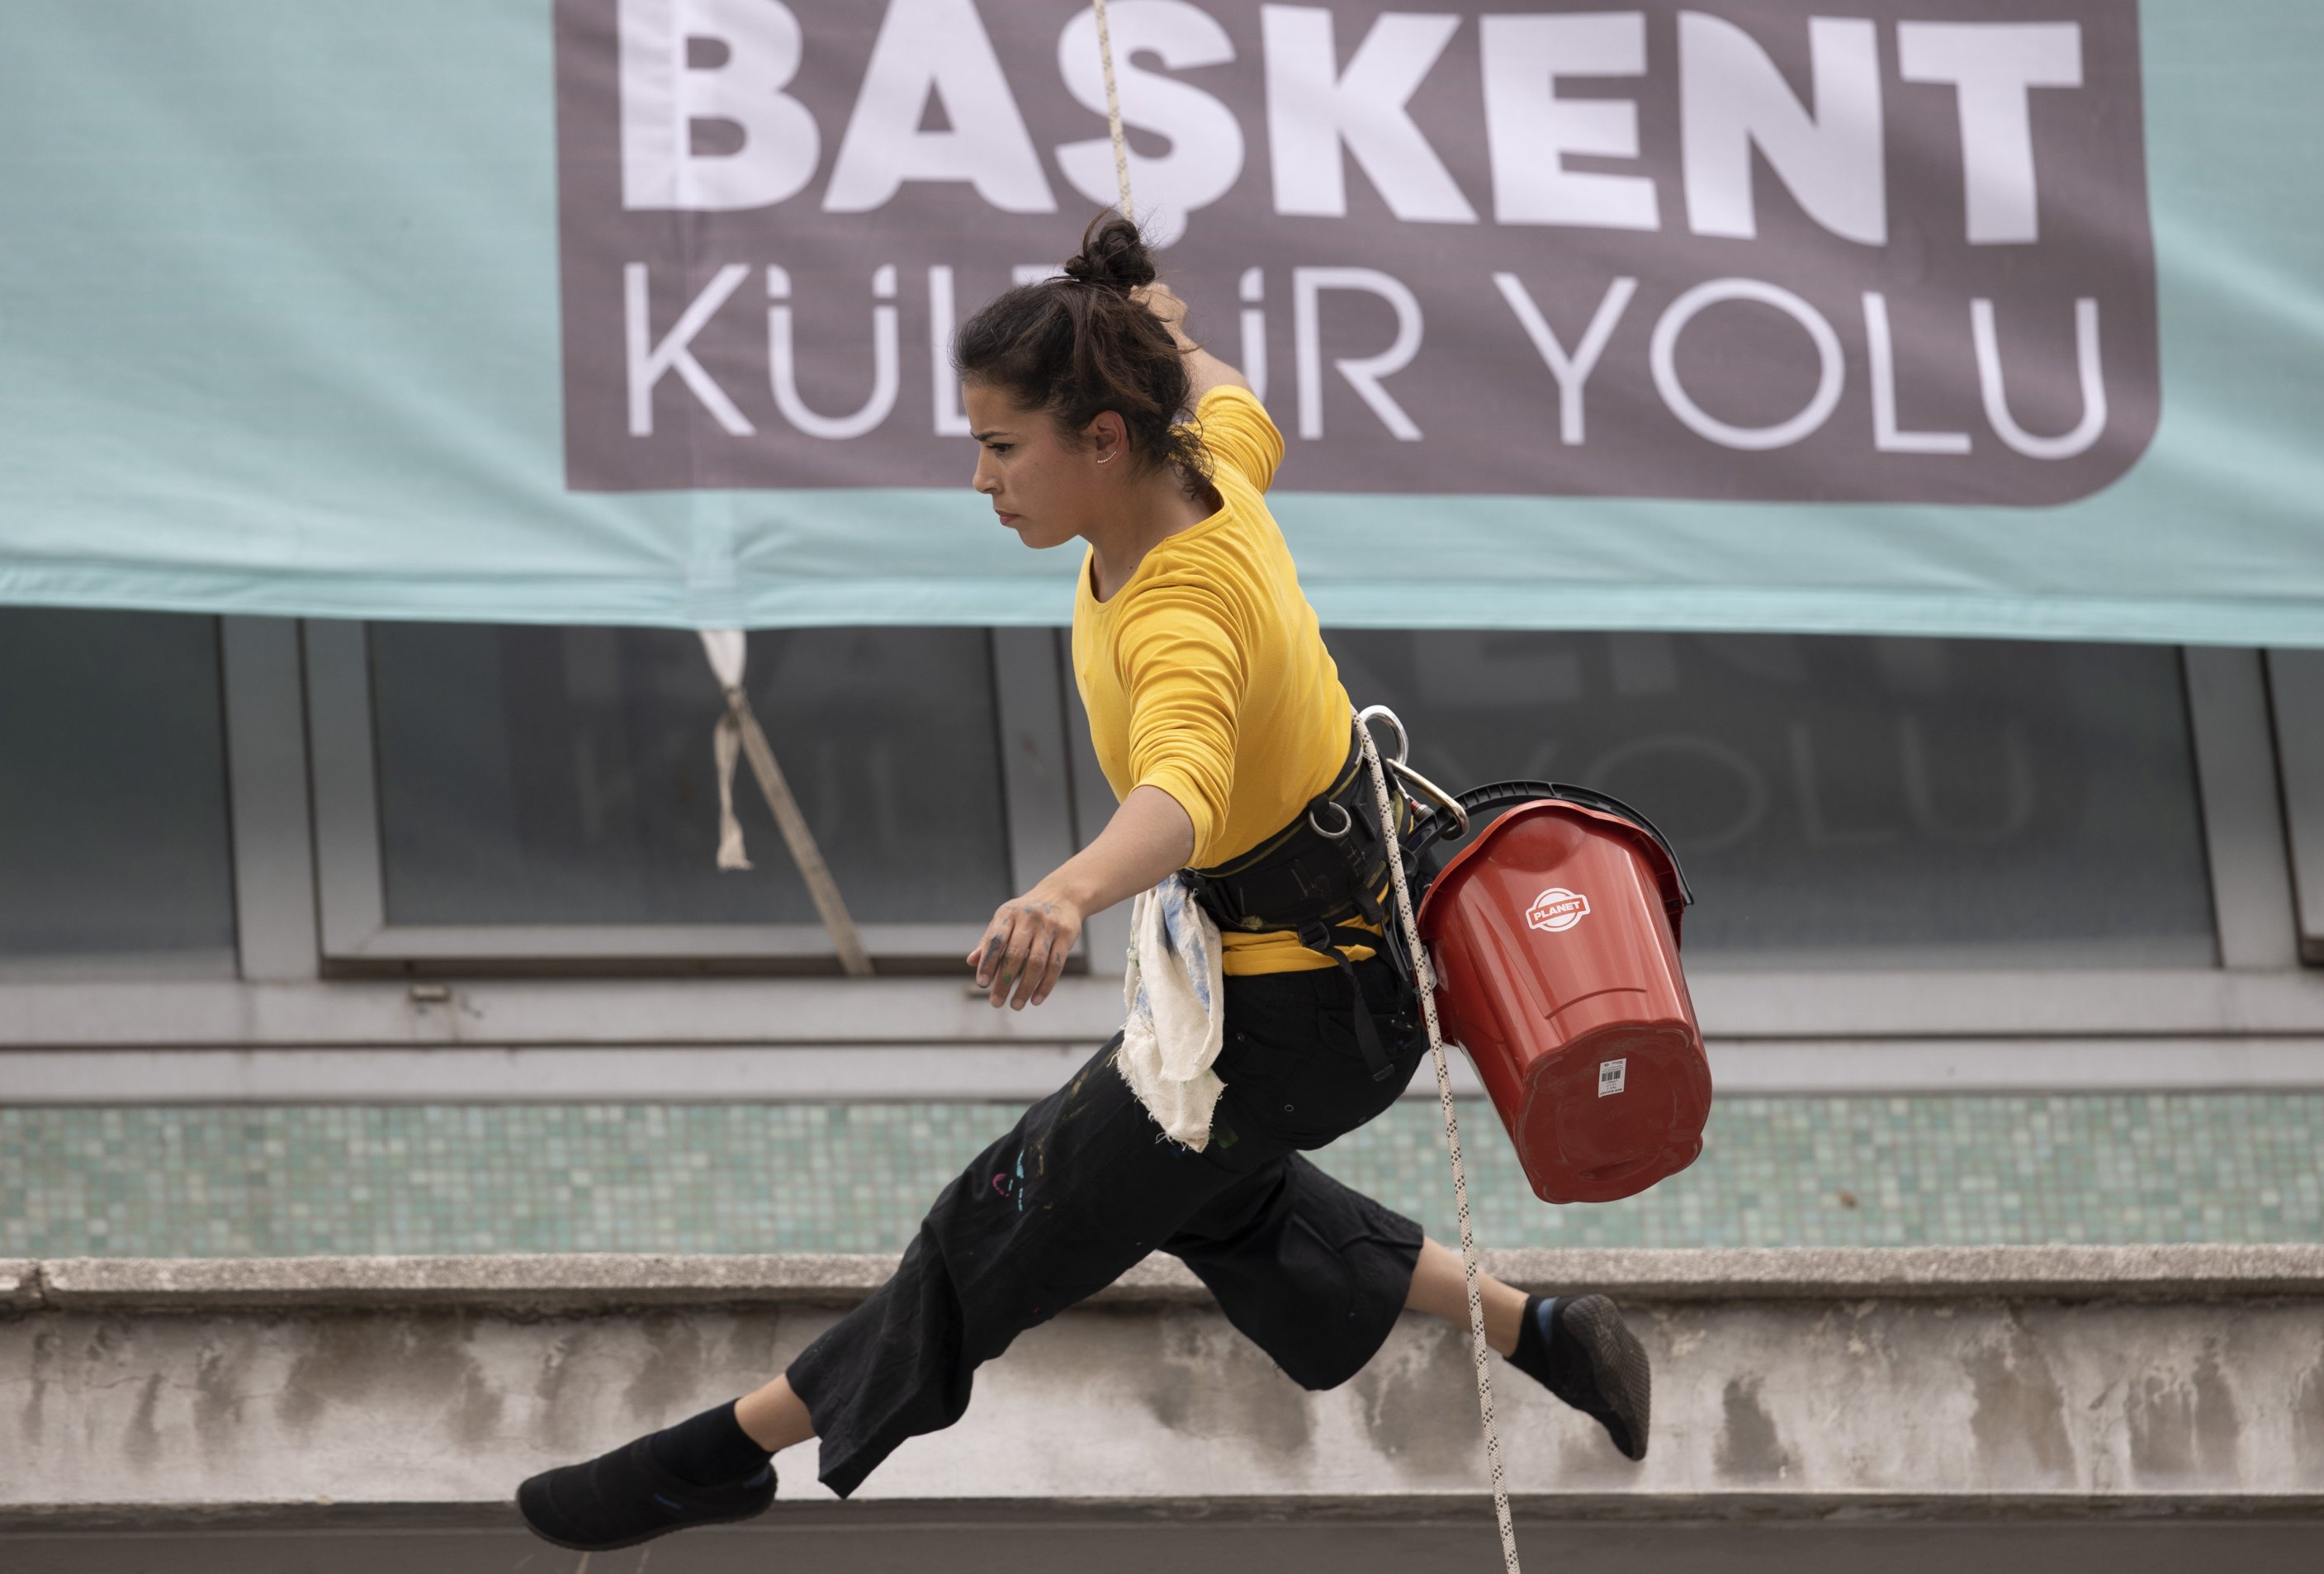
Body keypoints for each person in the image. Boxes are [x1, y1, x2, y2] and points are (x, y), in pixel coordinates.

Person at [517, 216, 1651, 1553]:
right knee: (1216, 1198)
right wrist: (1157, 328)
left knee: (1007, 1215)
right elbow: (1229, 396)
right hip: (1305, 995)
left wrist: (1065, 892)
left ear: (1103, 441)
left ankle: (720, 1453)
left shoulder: (1182, 608)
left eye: (1002, 448)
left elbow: (1178, 794)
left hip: (1301, 1015)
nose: (981, 479)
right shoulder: (1207, 467)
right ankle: (1550, 1334)